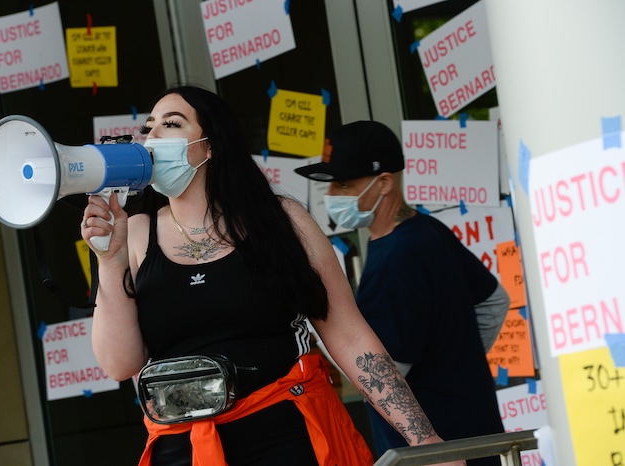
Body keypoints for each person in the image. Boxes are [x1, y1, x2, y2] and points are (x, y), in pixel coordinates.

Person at [80, 85, 466, 466]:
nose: (152, 137)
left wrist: (423, 438)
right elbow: (119, 363)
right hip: (186, 447)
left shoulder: (280, 221)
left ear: (211, 146)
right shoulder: (133, 234)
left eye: (172, 124)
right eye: (149, 128)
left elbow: (347, 333)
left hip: (286, 434)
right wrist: (110, 261)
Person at [294, 120, 510, 465]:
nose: (332, 195)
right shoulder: (428, 231)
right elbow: (495, 302)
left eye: (344, 183)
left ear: (383, 183)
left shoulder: (396, 258)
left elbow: (380, 370)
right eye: (330, 184)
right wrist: (454, 367)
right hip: (474, 434)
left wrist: (319, 329)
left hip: (433, 451)